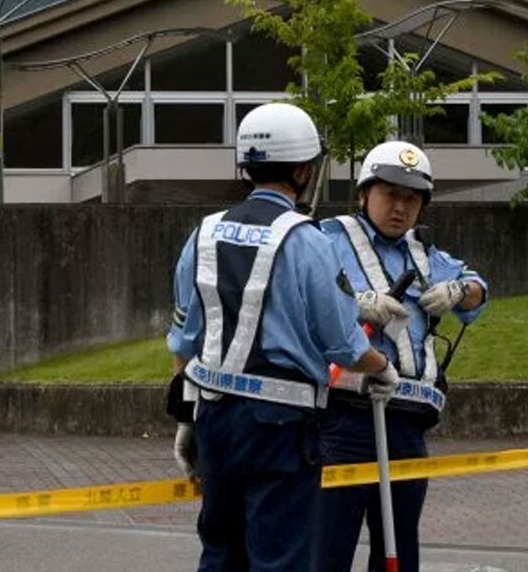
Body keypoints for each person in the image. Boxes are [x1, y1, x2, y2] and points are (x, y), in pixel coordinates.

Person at [167, 102, 398, 572]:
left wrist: (187, 418)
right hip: (281, 427)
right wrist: (384, 368)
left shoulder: (203, 234)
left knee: (221, 552)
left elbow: (182, 340)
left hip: (215, 419)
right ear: (302, 169)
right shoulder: (308, 240)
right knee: (281, 558)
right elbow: (344, 345)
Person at [314, 141, 487, 572]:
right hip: (345, 415)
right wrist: (356, 303)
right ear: (363, 193)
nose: (400, 207)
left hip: (408, 418)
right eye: (390, 194)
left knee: (399, 547)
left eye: (412, 199)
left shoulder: (425, 253)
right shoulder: (326, 239)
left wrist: (459, 291)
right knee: (328, 545)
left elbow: (480, 287)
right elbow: (303, 296)